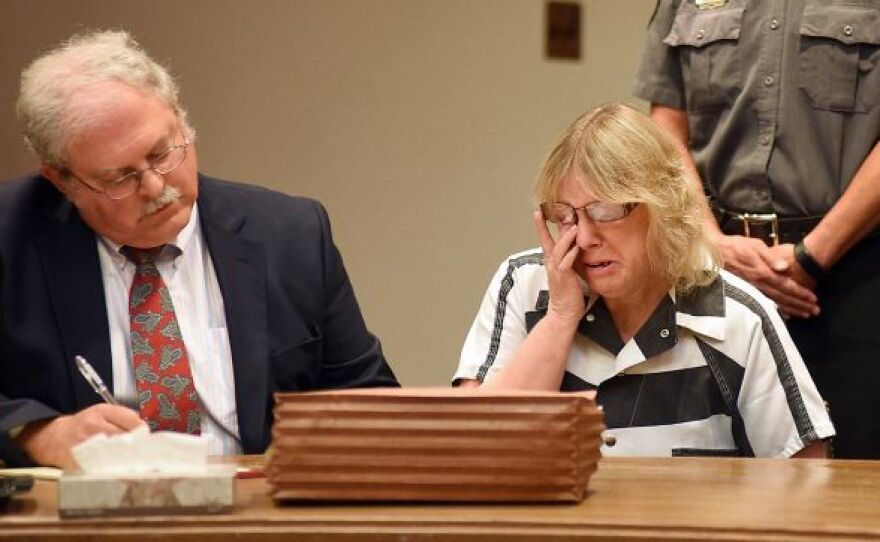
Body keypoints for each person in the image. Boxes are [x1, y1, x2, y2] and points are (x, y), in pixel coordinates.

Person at [0, 30, 397, 469]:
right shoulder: (10, 236)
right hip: (84, 526)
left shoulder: (290, 233)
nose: (154, 186)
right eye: (119, 178)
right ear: (62, 181)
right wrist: (38, 432)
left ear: (182, 122)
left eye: (161, 153)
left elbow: (367, 397)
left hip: (257, 513)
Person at [454, 103, 833, 457]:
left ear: (662, 206)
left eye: (604, 210)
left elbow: (806, 477)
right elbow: (477, 451)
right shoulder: (524, 285)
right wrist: (558, 315)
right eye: (566, 215)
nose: (585, 239)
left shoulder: (737, 317)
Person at [632, 0, 880, 458]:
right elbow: (666, 126)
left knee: (855, 473)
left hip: (859, 270)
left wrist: (809, 257)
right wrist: (711, 243)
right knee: (720, 473)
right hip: (717, 271)